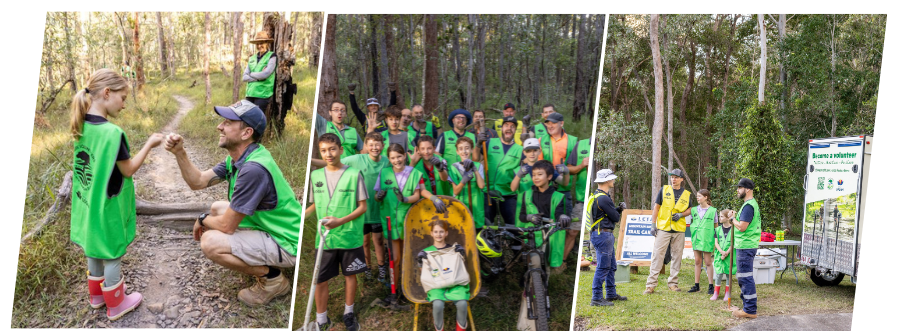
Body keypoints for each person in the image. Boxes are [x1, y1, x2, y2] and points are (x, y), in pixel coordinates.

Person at [166, 100, 301, 307]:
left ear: (246, 133)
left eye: (228, 122)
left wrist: (202, 220)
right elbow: (198, 181)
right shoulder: (239, 158)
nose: (220, 126)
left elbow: (227, 226)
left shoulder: (253, 169)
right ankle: (262, 259)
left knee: (210, 242)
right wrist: (180, 153)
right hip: (271, 226)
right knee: (217, 208)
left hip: (288, 242)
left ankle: (273, 279)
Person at [70, 69, 163, 320]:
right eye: (122, 98)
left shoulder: (81, 125)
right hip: (106, 206)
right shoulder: (112, 134)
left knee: (93, 247)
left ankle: (97, 297)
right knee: (111, 252)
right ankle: (116, 304)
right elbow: (129, 169)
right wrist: (150, 144)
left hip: (87, 204)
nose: (124, 105)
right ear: (107, 93)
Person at [304, 133, 368, 331]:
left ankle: (349, 313)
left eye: (332, 149)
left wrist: (340, 221)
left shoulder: (354, 174)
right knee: (320, 278)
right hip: (325, 238)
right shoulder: (315, 176)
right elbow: (315, 204)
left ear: (341, 150)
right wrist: (300, 217)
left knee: (350, 275)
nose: (328, 154)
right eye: (323, 150)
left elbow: (362, 207)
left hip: (349, 236)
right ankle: (321, 319)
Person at [312, 133, 389, 282]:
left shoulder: (387, 162)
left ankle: (382, 270)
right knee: (365, 242)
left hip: (378, 210)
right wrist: (311, 161)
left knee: (379, 241)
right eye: (371, 144)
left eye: (377, 144)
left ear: (383, 146)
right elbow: (330, 162)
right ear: (365, 146)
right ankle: (367, 269)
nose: (374, 148)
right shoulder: (356, 159)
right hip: (359, 213)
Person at [374, 144, 425, 303]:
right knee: (394, 259)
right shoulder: (384, 173)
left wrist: (405, 199)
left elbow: (417, 196)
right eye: (393, 158)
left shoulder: (414, 173)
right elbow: (376, 196)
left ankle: (411, 287)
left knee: (409, 257)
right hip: (390, 222)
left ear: (405, 156)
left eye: (399, 156)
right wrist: (379, 197)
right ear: (388, 159)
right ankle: (394, 290)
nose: (397, 160)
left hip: (408, 221)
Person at [644, 169, 693, 294]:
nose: (673, 179)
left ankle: (673, 283)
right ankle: (650, 285)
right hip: (664, 228)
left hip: (679, 230)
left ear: (682, 179)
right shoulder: (664, 190)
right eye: (672, 177)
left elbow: (690, 209)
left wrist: (681, 215)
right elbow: (656, 207)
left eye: (676, 177)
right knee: (657, 255)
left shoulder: (686, 194)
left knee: (677, 257)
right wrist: (653, 225)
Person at [517, 160, 570, 273]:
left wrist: (563, 217)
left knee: (546, 267)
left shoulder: (558, 196)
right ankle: (529, 284)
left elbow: (559, 214)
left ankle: (542, 288)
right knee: (534, 263)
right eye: (534, 175)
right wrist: (529, 217)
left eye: (540, 174)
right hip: (533, 236)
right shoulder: (527, 194)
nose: (536, 178)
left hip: (549, 237)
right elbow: (521, 216)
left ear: (549, 177)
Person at [415, 221, 470, 331]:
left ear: (446, 233)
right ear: (431, 233)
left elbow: (459, 268)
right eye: (435, 232)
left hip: (455, 284)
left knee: (463, 304)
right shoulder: (426, 252)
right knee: (438, 305)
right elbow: (424, 273)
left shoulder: (453, 250)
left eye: (441, 232)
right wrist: (421, 262)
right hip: (436, 286)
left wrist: (462, 254)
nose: (438, 234)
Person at [586, 169, 628, 307]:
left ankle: (611, 293)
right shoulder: (603, 198)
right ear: (606, 180)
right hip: (603, 235)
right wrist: (619, 211)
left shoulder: (597, 196)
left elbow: (605, 215)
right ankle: (596, 297)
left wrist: (618, 208)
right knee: (603, 267)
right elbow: (615, 218)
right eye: (612, 179)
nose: (614, 181)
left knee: (611, 266)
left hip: (601, 234)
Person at [726, 178, 761, 319]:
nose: (737, 190)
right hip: (746, 246)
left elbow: (742, 227)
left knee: (745, 278)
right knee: (743, 277)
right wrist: (735, 217)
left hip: (746, 246)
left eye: (739, 187)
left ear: (747, 189)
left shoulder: (748, 206)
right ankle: (746, 305)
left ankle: (750, 310)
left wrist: (732, 219)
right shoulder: (749, 205)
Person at [477, 116, 520, 226]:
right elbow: (475, 159)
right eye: (506, 125)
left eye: (512, 126)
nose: (509, 128)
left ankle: (511, 243)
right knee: (487, 226)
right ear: (501, 128)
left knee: (512, 226)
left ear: (515, 130)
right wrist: (478, 144)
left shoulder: (520, 149)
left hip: (508, 194)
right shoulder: (490, 142)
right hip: (488, 192)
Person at [562, 137, 592, 262]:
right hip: (581, 199)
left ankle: (594, 260)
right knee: (572, 232)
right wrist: (582, 165)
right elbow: (569, 168)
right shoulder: (581, 144)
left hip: (599, 199)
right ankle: (561, 262)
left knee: (598, 233)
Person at [449, 137, 486, 229]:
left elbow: (481, 186)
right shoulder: (453, 168)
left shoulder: (478, 165)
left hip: (476, 208)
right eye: (461, 149)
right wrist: (463, 181)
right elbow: (455, 191)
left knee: (477, 236)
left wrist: (475, 169)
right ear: (457, 151)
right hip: (460, 208)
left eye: (467, 148)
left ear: (472, 149)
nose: (464, 151)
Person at [687, 189, 717, 294]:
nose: (697, 198)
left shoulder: (713, 211)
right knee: (697, 261)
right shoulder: (694, 210)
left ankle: (710, 286)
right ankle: (696, 285)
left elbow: (716, 227)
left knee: (708, 262)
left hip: (707, 239)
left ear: (706, 197)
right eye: (697, 196)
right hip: (696, 238)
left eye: (699, 196)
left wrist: (717, 240)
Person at [409, 136, 453, 202]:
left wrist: (439, 167)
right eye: (422, 149)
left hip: (444, 199)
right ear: (418, 150)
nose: (426, 152)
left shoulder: (441, 161)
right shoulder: (417, 167)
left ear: (434, 149)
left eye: (429, 148)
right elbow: (419, 188)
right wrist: (413, 162)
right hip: (425, 202)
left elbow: (444, 179)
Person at [242, 31, 276, 113]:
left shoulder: (272, 56)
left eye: (261, 43)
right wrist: (258, 77)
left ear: (267, 43)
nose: (259, 46)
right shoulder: (252, 58)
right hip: (250, 93)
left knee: (257, 118)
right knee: (247, 117)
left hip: (263, 94)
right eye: (257, 44)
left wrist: (251, 74)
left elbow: (265, 74)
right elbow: (244, 77)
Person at [711, 209, 735, 301]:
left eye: (721, 216)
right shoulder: (717, 229)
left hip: (729, 256)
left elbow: (733, 243)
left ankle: (727, 294)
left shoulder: (733, 229)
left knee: (729, 274)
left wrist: (726, 253)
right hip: (719, 255)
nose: (719, 218)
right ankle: (716, 293)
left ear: (728, 218)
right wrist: (721, 252)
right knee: (719, 274)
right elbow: (716, 243)